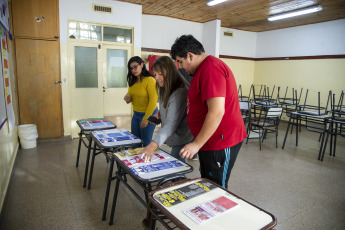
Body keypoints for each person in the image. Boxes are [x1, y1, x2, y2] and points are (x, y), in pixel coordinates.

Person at [170, 35, 247, 189]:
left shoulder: (211, 68)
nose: (180, 66)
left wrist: (196, 144)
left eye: (180, 61)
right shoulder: (202, 69)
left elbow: (217, 111)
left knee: (217, 187)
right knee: (208, 182)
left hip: (221, 141)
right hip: (209, 140)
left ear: (190, 56)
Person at [139, 56, 193, 163]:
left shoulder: (179, 92)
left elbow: (170, 125)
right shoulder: (165, 87)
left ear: (170, 72)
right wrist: (159, 116)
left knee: (177, 168)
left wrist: (151, 146)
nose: (157, 78)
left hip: (182, 136)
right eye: (155, 74)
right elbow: (168, 107)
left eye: (160, 74)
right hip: (176, 135)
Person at [124, 56, 158, 146]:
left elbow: (153, 101)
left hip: (150, 114)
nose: (133, 70)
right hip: (136, 114)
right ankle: (136, 160)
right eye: (131, 68)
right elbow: (130, 95)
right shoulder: (133, 80)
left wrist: (146, 119)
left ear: (142, 65)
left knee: (146, 141)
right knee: (135, 141)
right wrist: (128, 98)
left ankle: (146, 160)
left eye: (135, 67)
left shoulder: (150, 80)